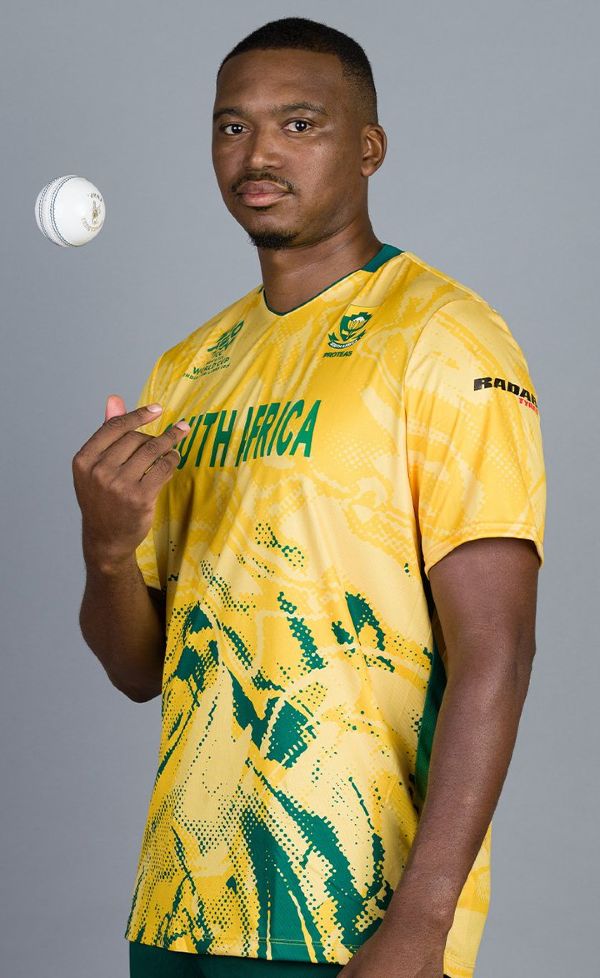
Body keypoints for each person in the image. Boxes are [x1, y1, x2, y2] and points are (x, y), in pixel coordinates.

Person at [73, 16, 546, 978]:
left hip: (348, 911)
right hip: (179, 902)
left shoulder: (443, 337)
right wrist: (107, 547)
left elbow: (496, 649)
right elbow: (138, 670)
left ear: (369, 148)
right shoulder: (189, 367)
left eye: (299, 124)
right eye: (232, 126)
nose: (258, 154)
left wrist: (422, 923)